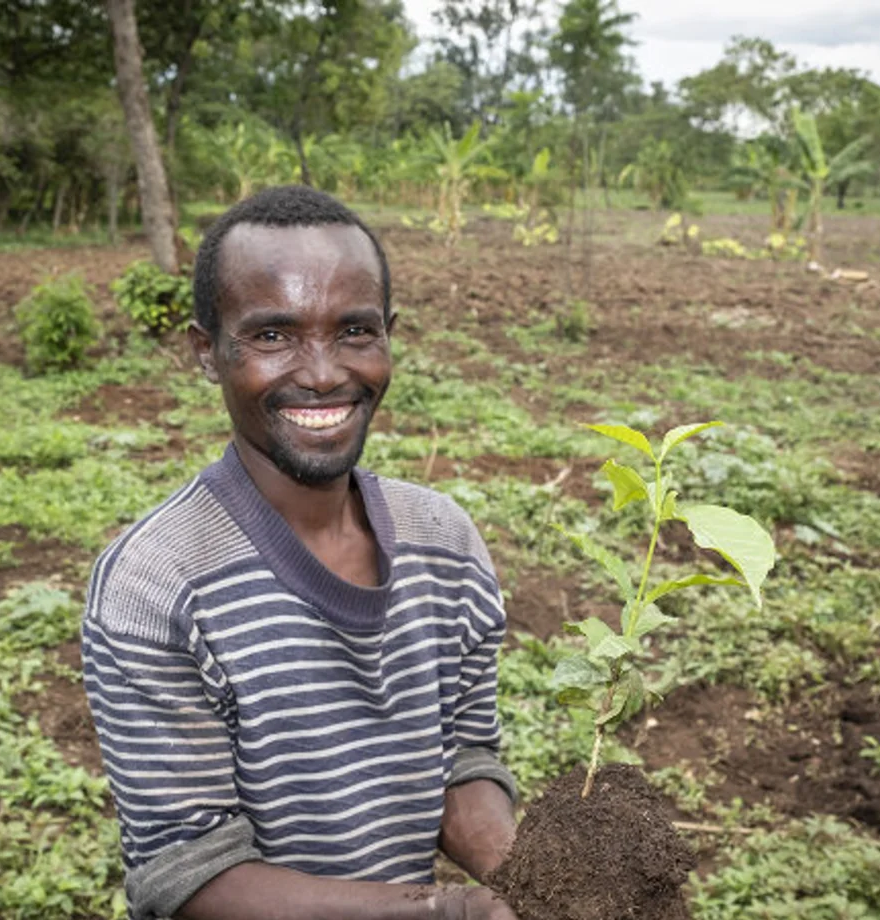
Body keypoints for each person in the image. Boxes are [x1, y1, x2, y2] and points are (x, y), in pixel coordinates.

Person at [82, 185, 522, 920]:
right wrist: (448, 912)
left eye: (353, 331)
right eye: (272, 336)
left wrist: (534, 882)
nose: (322, 372)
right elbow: (186, 874)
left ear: (388, 335)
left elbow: (464, 759)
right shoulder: (156, 584)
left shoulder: (444, 542)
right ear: (206, 351)